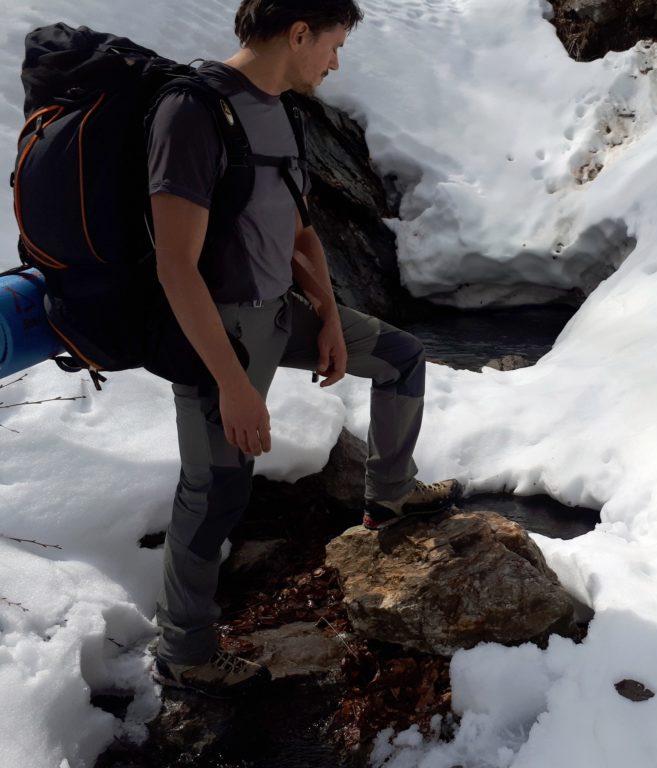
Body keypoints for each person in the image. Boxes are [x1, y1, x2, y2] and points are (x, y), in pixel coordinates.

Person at [147, 0, 463, 697]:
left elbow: (298, 237)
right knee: (214, 490)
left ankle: (389, 498)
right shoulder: (193, 113)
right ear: (298, 34)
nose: (336, 61)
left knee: (402, 357)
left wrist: (325, 315)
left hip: (281, 312)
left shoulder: (282, 110)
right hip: (217, 334)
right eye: (334, 44)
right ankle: (184, 652)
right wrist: (233, 386)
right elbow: (176, 267)